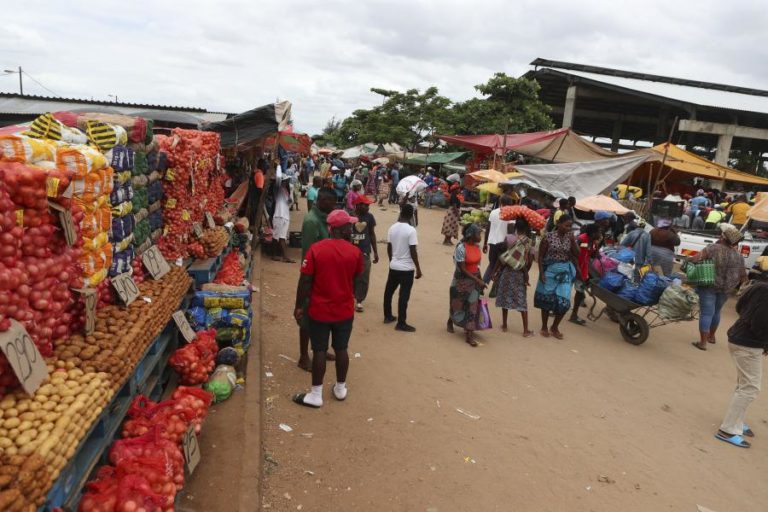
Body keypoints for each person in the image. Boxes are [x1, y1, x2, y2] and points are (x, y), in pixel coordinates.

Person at [292, 210, 364, 408]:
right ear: (341, 229)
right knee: (341, 349)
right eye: (349, 225)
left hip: (319, 310)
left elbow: (305, 280)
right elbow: (358, 279)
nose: (351, 227)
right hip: (344, 310)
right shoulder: (355, 252)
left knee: (319, 350)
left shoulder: (316, 249)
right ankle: (340, 389)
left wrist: (299, 306)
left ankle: (316, 395)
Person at [713, 282, 768, 448]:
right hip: (748, 344)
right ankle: (728, 430)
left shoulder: (759, 287)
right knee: (750, 388)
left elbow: (740, 306)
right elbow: (760, 323)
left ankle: (736, 421)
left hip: (739, 338)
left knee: (744, 385)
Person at [297, 188, 338, 372]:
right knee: (306, 318)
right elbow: (308, 255)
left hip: (324, 276)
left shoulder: (324, 219)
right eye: (331, 202)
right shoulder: (312, 222)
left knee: (321, 316)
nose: (334, 206)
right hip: (312, 276)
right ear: (322, 200)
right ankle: (304, 356)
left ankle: (320, 349)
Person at [692, 224, 747, 351]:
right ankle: (711, 337)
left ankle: (703, 343)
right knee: (716, 312)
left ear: (723, 238)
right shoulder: (738, 256)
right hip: (726, 289)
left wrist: (689, 262)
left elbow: (695, 259)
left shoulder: (712, 248)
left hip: (709, 285)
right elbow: (743, 275)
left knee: (706, 313)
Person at [534, 214, 578, 339]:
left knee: (564, 301)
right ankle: (544, 327)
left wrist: (573, 240)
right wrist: (542, 273)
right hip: (549, 270)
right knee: (546, 299)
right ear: (558, 224)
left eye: (570, 226)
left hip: (564, 271)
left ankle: (554, 327)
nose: (568, 228)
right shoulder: (548, 237)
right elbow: (541, 257)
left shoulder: (570, 237)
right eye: (566, 225)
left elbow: (577, 253)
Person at [492, 218, 535, 336]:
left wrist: (494, 272)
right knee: (521, 300)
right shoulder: (529, 242)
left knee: (505, 296)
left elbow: (503, 257)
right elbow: (530, 261)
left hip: (507, 272)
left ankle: (504, 325)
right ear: (527, 228)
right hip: (519, 274)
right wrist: (525, 272)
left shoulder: (509, 239)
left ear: (515, 227)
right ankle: (526, 330)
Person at [383, 204, 422, 332]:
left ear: (400, 213)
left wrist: (392, 260)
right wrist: (418, 268)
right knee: (404, 296)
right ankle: (401, 323)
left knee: (389, 291)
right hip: (406, 268)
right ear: (411, 215)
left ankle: (387, 316)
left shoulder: (392, 228)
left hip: (394, 265)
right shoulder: (411, 230)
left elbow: (389, 247)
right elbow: (413, 250)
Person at [447, 224, 487, 346]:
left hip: (474, 281)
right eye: (478, 234)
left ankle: (469, 335)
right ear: (471, 235)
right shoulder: (461, 248)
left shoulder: (477, 247)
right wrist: (478, 279)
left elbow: (477, 266)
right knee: (457, 304)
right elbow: (462, 269)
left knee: (472, 307)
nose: (480, 236)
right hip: (461, 281)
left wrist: (479, 280)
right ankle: (450, 320)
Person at [350, 195, 379, 312]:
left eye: (368, 205)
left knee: (364, 277)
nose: (368, 207)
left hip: (365, 251)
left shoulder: (370, 217)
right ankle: (349, 297)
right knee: (350, 276)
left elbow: (372, 234)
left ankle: (359, 300)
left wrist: (375, 252)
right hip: (350, 252)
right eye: (365, 205)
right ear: (357, 205)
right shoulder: (349, 216)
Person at [569, 223, 601, 325]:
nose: (600, 234)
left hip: (583, 270)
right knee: (564, 289)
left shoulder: (594, 243)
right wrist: (576, 267)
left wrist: (597, 246)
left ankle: (574, 315)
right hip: (572, 267)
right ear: (592, 233)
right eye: (598, 232)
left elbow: (593, 256)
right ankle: (554, 308)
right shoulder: (581, 239)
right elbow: (572, 252)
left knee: (579, 292)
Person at [482, 196, 513, 283]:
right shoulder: (512, 214)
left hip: (492, 242)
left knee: (492, 265)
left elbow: (488, 228)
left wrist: (485, 243)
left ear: (500, 203)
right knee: (501, 266)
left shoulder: (493, 212)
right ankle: (494, 289)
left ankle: (482, 284)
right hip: (504, 244)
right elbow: (511, 232)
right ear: (510, 204)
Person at [271, 176, 294, 263]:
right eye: (285, 181)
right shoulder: (279, 189)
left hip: (285, 216)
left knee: (282, 237)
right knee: (276, 236)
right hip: (279, 215)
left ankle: (284, 256)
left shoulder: (285, 191)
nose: (287, 182)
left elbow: (289, 202)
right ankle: (274, 255)